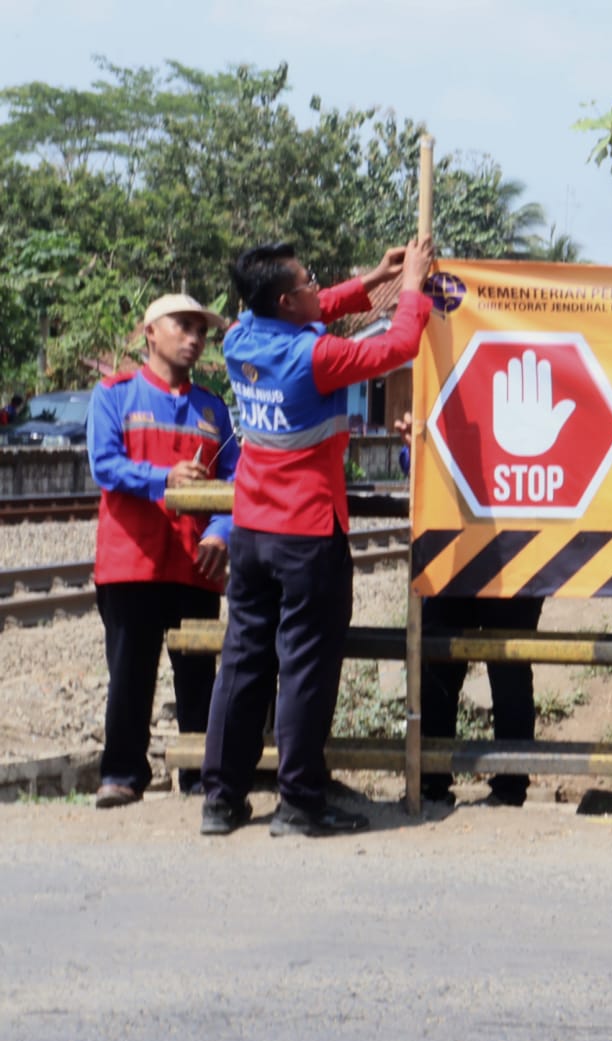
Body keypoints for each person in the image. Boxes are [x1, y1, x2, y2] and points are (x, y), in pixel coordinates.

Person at [200, 237, 433, 837]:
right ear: (284, 298)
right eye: (307, 282)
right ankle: (299, 802)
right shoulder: (316, 358)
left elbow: (310, 306)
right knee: (304, 667)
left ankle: (220, 800)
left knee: (242, 662)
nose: (316, 288)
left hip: (251, 530)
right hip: (307, 533)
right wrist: (409, 286)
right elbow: (399, 343)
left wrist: (367, 281)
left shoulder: (240, 339)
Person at [87, 294, 237, 808]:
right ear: (150, 332)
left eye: (201, 329)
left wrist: (221, 530)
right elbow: (105, 466)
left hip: (197, 563)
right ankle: (123, 775)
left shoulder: (214, 408)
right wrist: (166, 479)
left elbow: (239, 480)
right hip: (130, 562)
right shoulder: (113, 395)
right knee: (130, 673)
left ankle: (199, 775)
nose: (194, 337)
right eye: (183, 326)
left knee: (199, 676)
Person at [395, 411, 539, 807]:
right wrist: (413, 447)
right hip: (450, 556)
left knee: (509, 672)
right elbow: (417, 469)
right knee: (437, 669)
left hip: (515, 556)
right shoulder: (448, 375)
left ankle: (510, 789)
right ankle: (429, 783)